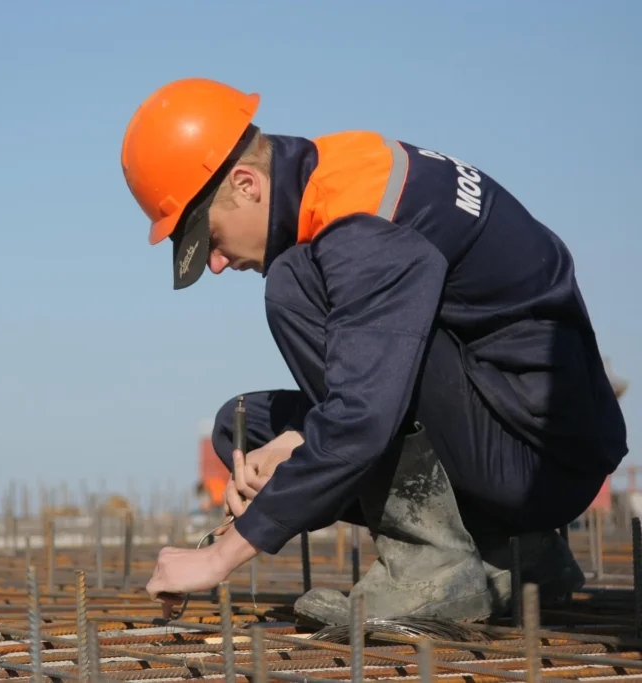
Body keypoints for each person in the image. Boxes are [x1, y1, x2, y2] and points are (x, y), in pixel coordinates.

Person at [121, 77, 628, 625]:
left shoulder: (360, 226)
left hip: (535, 459)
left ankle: (430, 567)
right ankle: (517, 557)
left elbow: (364, 417)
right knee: (242, 429)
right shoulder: (340, 167)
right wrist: (298, 437)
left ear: (246, 184)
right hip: (509, 420)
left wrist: (221, 557)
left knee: (294, 284)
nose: (217, 264)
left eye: (211, 240)